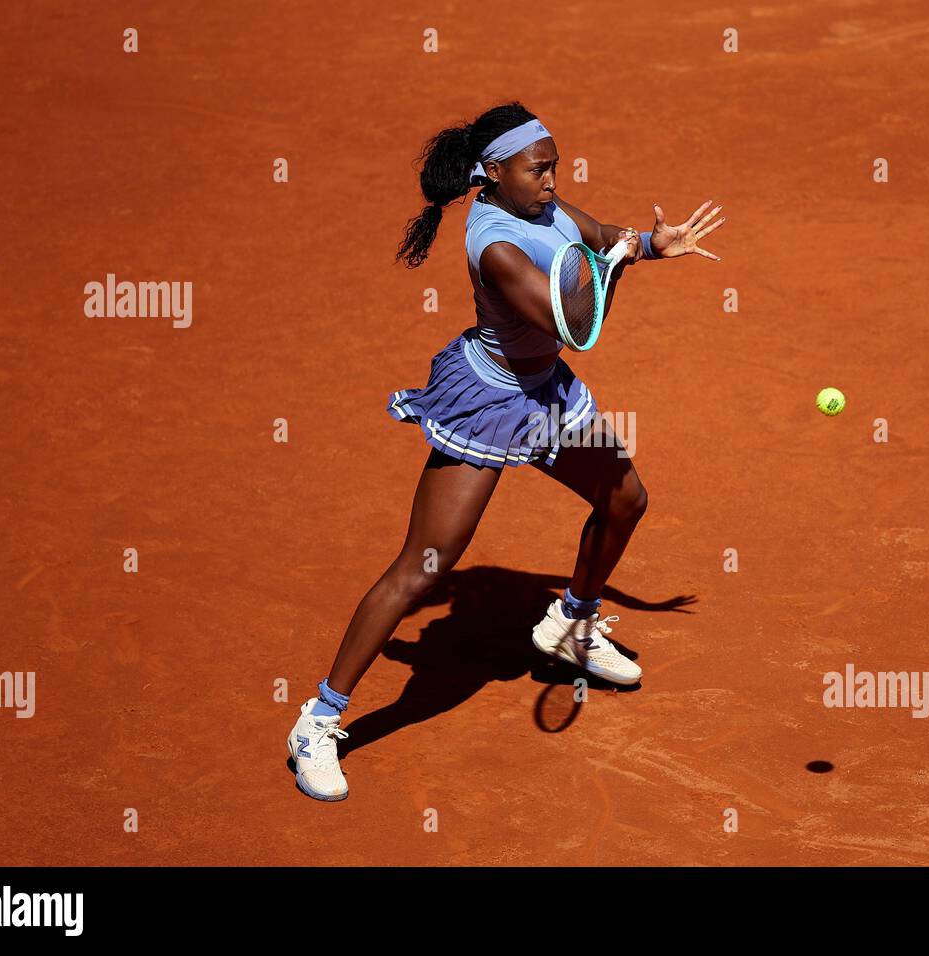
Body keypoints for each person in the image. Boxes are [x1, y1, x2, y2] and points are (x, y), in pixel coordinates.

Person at [286, 101, 725, 801]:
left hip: (544, 390)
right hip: (490, 404)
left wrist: (648, 243)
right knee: (423, 569)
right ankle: (319, 719)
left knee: (625, 499)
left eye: (554, 166)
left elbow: (604, 235)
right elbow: (574, 321)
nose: (552, 181)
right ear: (493, 173)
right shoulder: (493, 244)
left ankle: (570, 624)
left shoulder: (541, 204)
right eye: (538, 169)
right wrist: (615, 262)